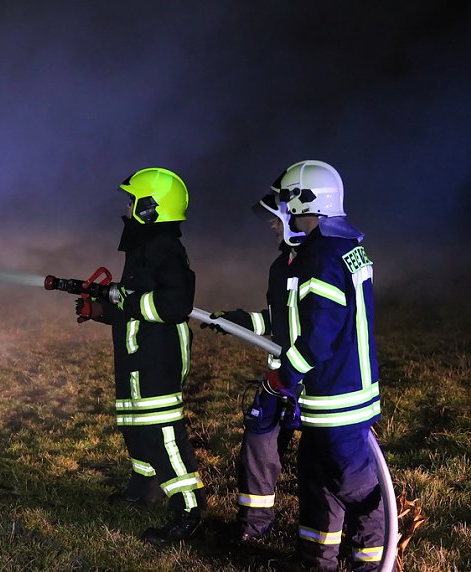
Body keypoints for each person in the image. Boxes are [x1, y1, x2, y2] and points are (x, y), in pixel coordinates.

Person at [263, 160, 384, 571]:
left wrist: (285, 374)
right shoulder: (345, 246)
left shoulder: (321, 256)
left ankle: (374, 559)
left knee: (355, 485)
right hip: (340, 390)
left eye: (286, 202)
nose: (282, 213)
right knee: (316, 478)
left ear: (303, 200)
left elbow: (320, 333)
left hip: (338, 393)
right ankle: (315, 560)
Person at [76, 167, 205, 547]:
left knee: (162, 431)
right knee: (134, 423)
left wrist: (124, 300)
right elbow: (133, 304)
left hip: (157, 357)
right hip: (136, 353)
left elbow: (175, 303)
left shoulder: (164, 247)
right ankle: (144, 486)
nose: (128, 206)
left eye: (134, 200)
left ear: (151, 208)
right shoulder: (143, 246)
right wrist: (100, 311)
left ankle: (190, 510)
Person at [200, 192, 305, 543]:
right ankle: (253, 529)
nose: (273, 225)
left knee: (328, 467)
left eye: (277, 218)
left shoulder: (320, 264)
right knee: (257, 450)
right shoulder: (281, 266)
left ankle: (342, 545)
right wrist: (236, 321)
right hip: (279, 380)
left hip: (315, 383)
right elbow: (276, 322)